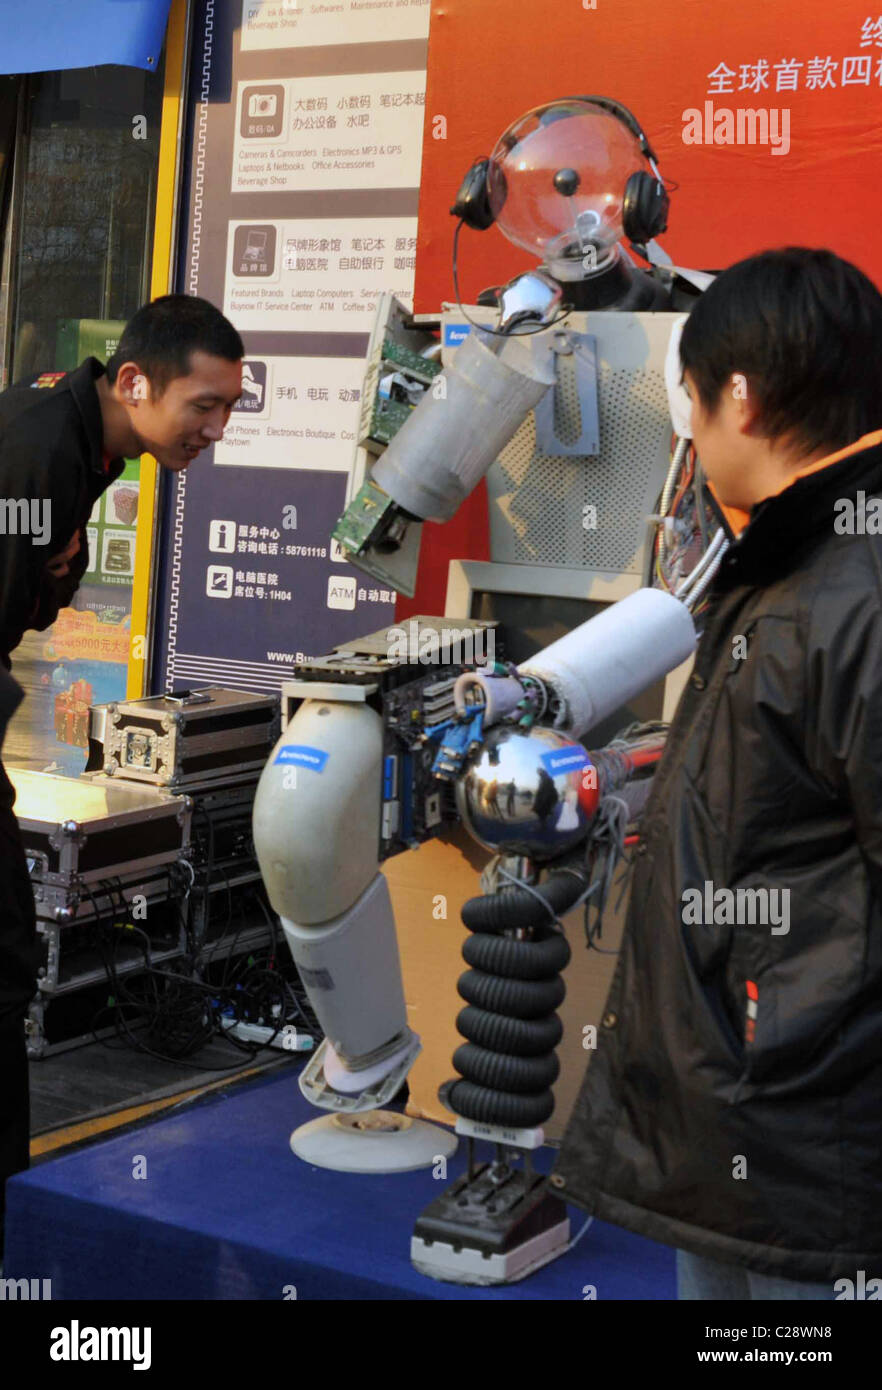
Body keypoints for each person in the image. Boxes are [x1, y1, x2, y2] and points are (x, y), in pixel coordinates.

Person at [553, 247, 882, 1299]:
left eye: (689, 399)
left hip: (811, 1145)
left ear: (739, 395)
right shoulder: (787, 559)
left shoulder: (856, 589)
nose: (686, 433)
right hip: (735, 1121)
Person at [0, 294, 244, 1242]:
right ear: (135, 382)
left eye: (230, 409)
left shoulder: (87, 435)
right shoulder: (41, 451)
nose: (215, 430)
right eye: (204, 405)